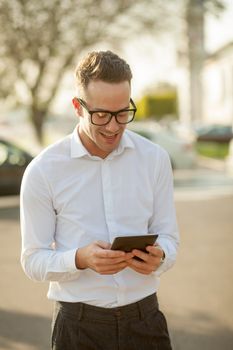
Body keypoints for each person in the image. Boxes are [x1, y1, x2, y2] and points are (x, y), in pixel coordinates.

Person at [20, 50, 179, 350]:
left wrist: (161, 257)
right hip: (77, 328)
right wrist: (80, 259)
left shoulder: (155, 159)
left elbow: (170, 237)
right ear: (77, 107)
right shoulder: (43, 171)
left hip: (146, 319)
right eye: (101, 115)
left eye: (122, 113)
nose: (113, 127)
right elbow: (32, 261)